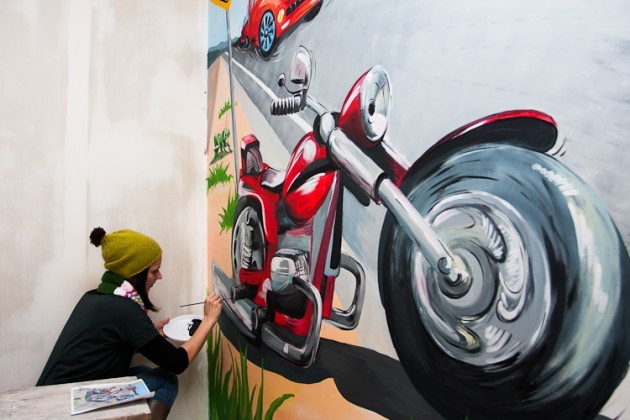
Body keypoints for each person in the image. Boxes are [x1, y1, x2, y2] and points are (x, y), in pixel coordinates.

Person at [37, 227, 222, 420]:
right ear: (136, 274)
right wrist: (208, 320)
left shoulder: (96, 297)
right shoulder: (124, 309)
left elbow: (102, 349)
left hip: (56, 393)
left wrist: (148, 336)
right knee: (167, 380)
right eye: (154, 271)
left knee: (144, 372)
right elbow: (177, 362)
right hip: (71, 402)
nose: (159, 276)